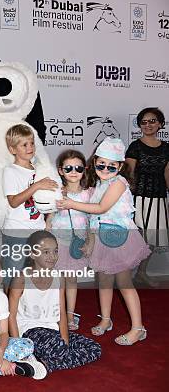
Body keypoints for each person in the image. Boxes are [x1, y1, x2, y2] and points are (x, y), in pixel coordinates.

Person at [58, 138, 151, 345]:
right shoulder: (98, 184)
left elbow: (101, 208)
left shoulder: (119, 183)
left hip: (120, 239)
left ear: (120, 167)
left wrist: (71, 203)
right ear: (94, 163)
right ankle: (106, 320)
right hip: (102, 240)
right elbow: (94, 218)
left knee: (124, 282)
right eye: (101, 164)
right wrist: (91, 240)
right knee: (105, 281)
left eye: (112, 165)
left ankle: (138, 328)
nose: (106, 169)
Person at [8, 231, 102, 373]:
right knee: (58, 348)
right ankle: (35, 358)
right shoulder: (21, 280)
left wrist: (65, 340)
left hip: (53, 331)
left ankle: (44, 365)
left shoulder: (59, 278)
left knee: (94, 348)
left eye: (55, 251)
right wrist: (19, 349)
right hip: (29, 331)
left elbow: (62, 313)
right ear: (32, 254)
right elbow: (11, 316)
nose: (52, 256)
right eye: (46, 252)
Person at [2, 124, 58, 289]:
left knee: (34, 275)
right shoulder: (10, 171)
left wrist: (48, 221)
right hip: (16, 232)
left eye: (32, 143)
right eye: (24, 145)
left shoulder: (39, 169)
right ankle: (9, 312)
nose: (30, 148)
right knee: (13, 275)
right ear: (12, 149)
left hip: (38, 231)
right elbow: (13, 201)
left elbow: (48, 200)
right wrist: (37, 185)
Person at [125, 107, 169, 286]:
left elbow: (167, 174)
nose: (148, 125)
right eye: (144, 122)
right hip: (138, 199)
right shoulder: (135, 146)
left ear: (160, 124)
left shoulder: (167, 148)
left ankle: (142, 273)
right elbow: (129, 174)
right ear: (139, 125)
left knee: (151, 239)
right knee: (136, 238)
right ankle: (124, 274)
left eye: (152, 121)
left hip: (158, 198)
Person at [50, 150, 92, 331]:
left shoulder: (89, 194)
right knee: (57, 280)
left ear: (85, 169)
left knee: (71, 279)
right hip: (58, 242)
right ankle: (58, 313)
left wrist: (90, 242)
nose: (73, 171)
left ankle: (70, 314)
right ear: (60, 170)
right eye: (68, 168)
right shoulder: (57, 192)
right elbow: (50, 218)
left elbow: (93, 221)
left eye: (78, 168)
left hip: (77, 243)